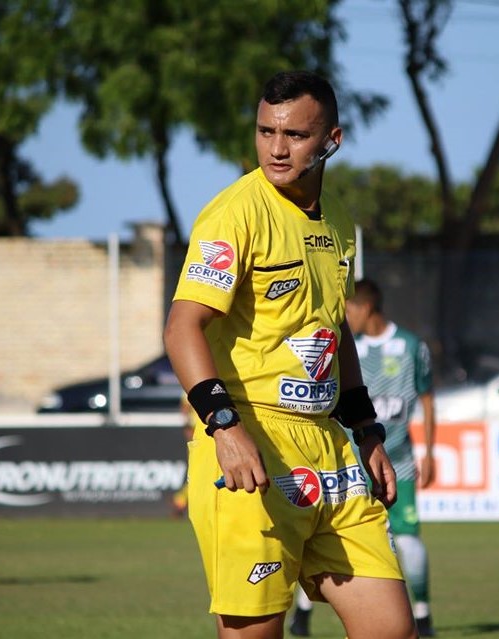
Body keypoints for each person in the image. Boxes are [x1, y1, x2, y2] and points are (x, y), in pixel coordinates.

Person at [163, 70, 418, 639]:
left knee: (393, 629)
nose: (277, 148)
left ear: (332, 140)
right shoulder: (235, 213)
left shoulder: (340, 220)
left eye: (296, 135)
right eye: (266, 131)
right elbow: (182, 328)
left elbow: (335, 329)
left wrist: (366, 431)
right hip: (251, 438)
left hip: (328, 445)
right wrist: (224, 427)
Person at [289, 279, 439, 637]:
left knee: (407, 539)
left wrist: (429, 452)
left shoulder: (411, 346)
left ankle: (422, 615)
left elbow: (427, 398)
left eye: (348, 308)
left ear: (366, 307)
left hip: (398, 460)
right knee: (326, 539)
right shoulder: (343, 345)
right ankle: (302, 615)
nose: (342, 315)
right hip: (347, 462)